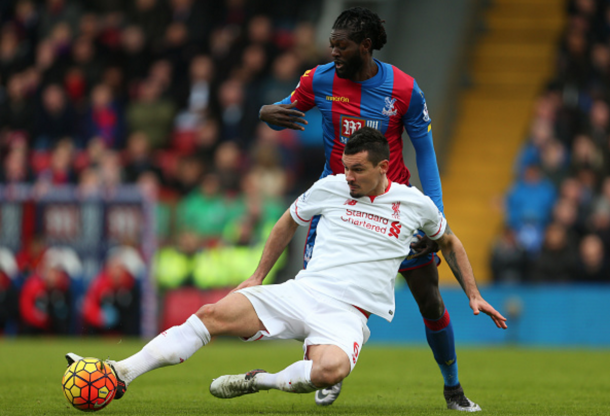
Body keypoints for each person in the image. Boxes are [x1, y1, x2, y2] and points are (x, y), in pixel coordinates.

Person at [66, 128, 506, 407]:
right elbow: (287, 223)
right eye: (346, 168)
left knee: (331, 370)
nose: (348, 177)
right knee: (211, 314)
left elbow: (449, 241)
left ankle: (261, 381)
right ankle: (120, 373)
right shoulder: (330, 187)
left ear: (383, 166)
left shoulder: (415, 205)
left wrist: (472, 293)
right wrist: (258, 276)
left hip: (347, 314)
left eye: (357, 170)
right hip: (302, 292)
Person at [258, 7, 480, 411]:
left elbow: (425, 154)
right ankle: (326, 371)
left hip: (395, 211)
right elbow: (284, 110)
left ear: (365, 46)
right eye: (331, 45)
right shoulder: (319, 79)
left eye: (340, 46)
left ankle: (453, 388)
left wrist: (435, 216)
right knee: (324, 297)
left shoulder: (404, 89)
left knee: (430, 301)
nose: (333, 53)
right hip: (339, 211)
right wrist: (265, 113)